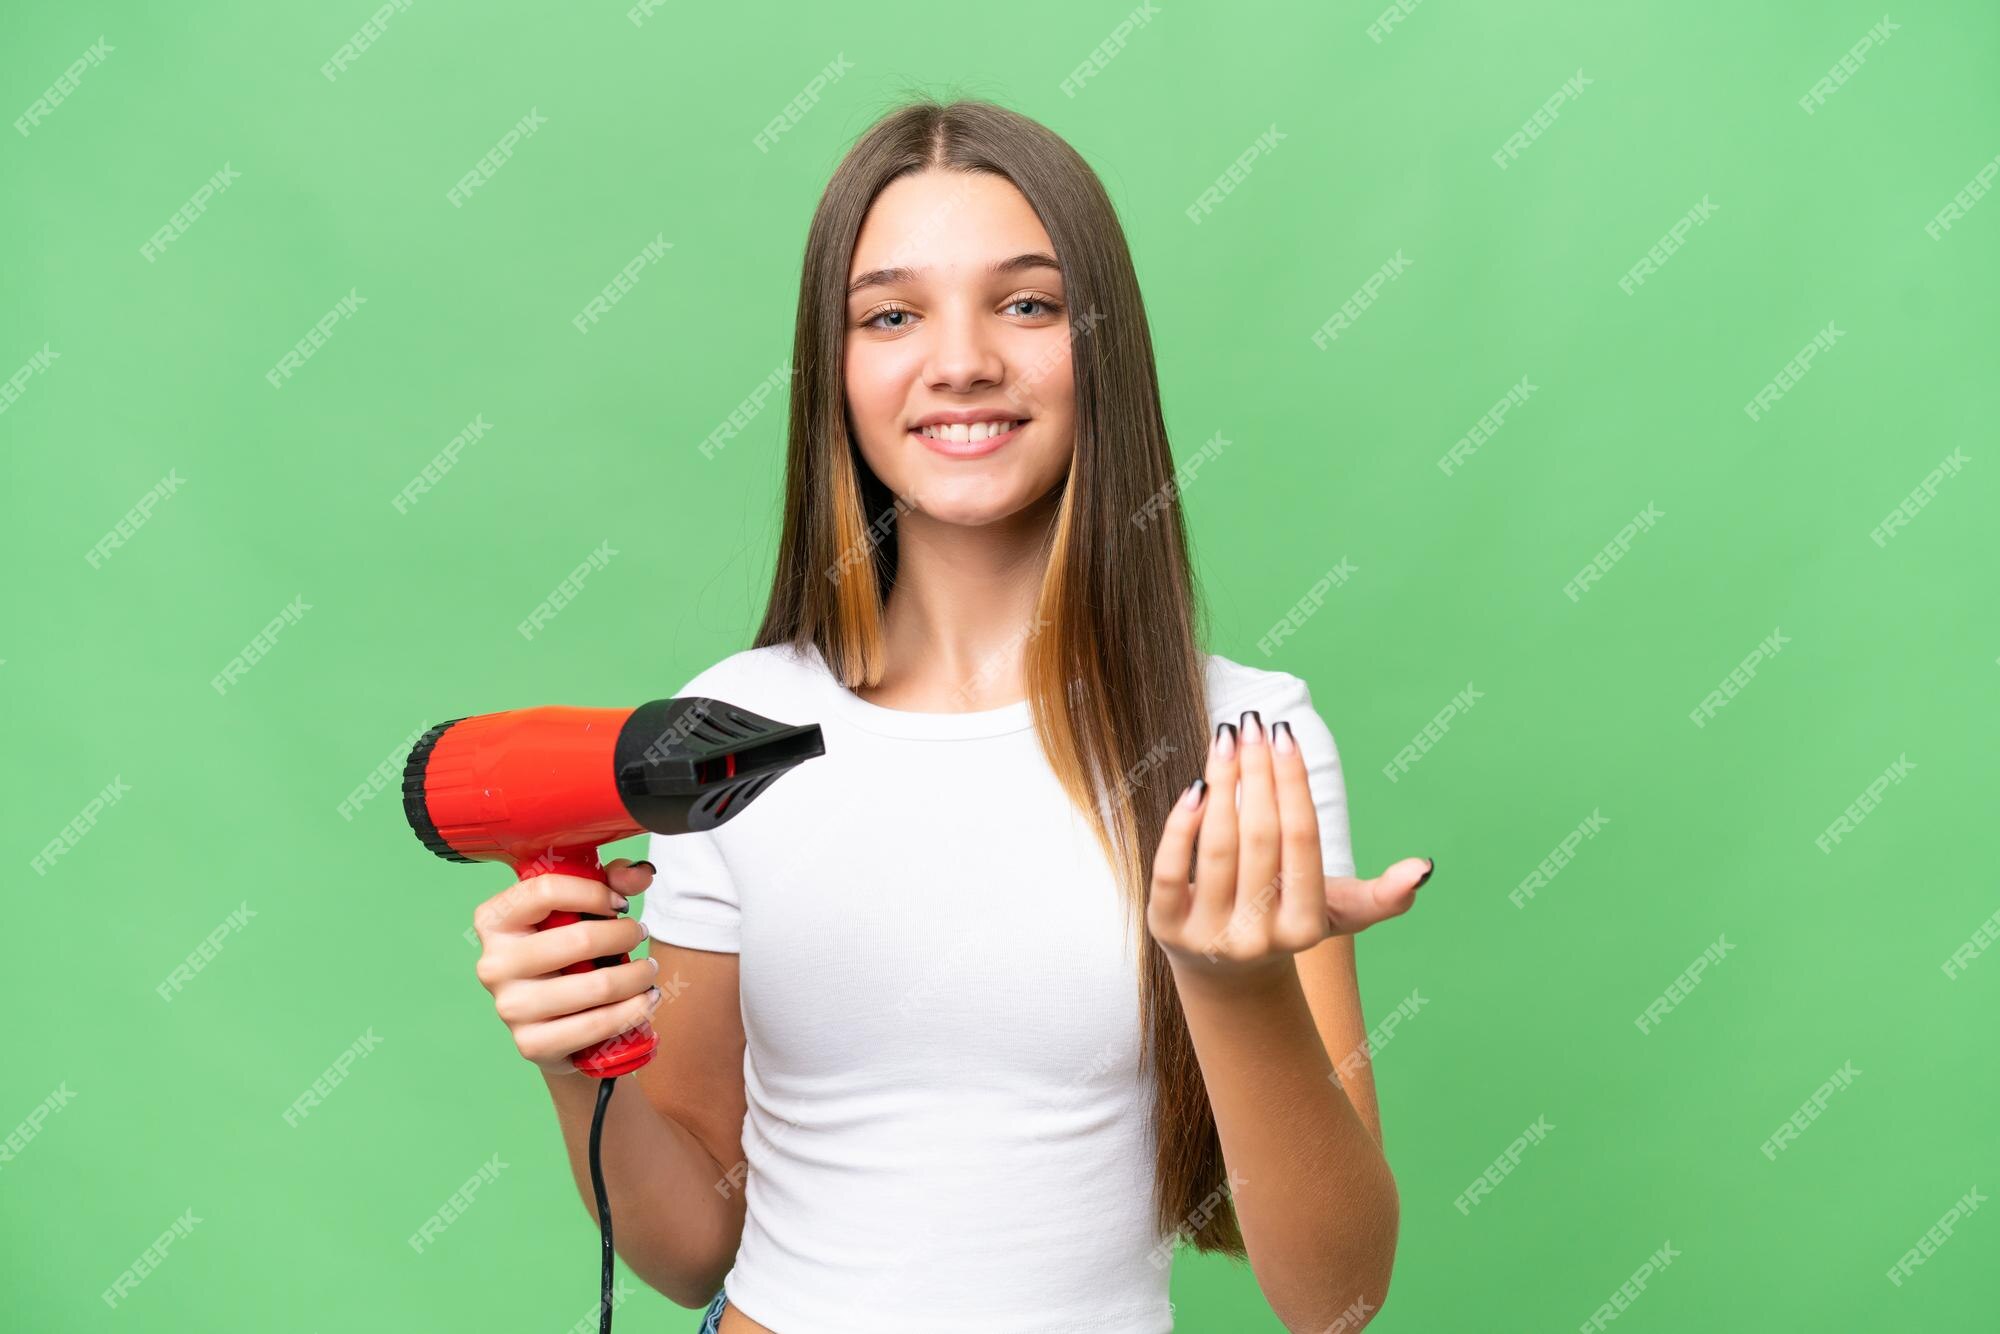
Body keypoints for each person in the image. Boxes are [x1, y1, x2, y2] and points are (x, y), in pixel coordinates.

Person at [470, 96, 1430, 1334]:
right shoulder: (723, 734)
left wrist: (1229, 983)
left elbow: (1337, 1296)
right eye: (890, 313)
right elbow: (690, 1247)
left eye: (1025, 303)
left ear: (1103, 347)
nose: (961, 358)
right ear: (838, 369)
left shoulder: (1240, 740)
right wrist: (571, 1061)